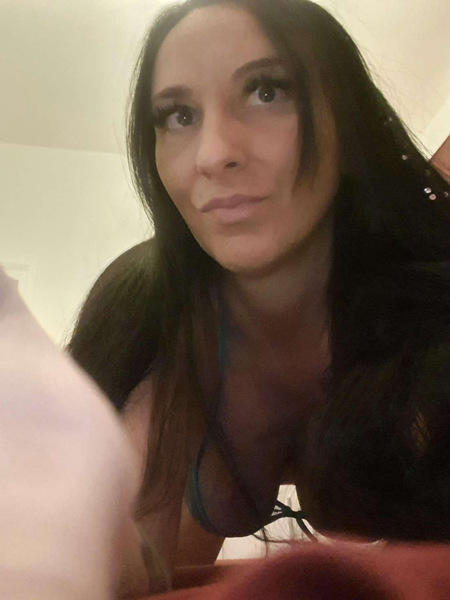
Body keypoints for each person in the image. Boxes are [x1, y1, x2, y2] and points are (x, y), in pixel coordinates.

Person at [66, 0, 450, 595]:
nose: (212, 153)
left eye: (266, 91)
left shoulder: (428, 287)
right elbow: (122, 564)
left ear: (347, 121)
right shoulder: (148, 308)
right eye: (178, 115)